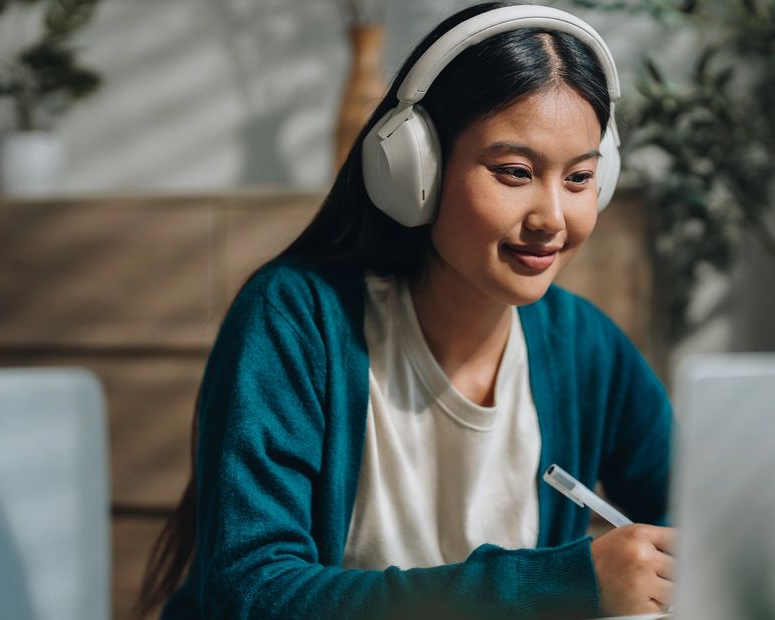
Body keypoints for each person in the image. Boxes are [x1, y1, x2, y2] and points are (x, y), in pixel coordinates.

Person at [139, 3, 675, 618]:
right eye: (515, 172)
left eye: (580, 179)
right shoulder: (296, 320)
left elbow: (701, 526)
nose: (553, 218)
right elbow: (251, 594)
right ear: (415, 167)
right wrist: (557, 583)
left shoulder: (585, 347)